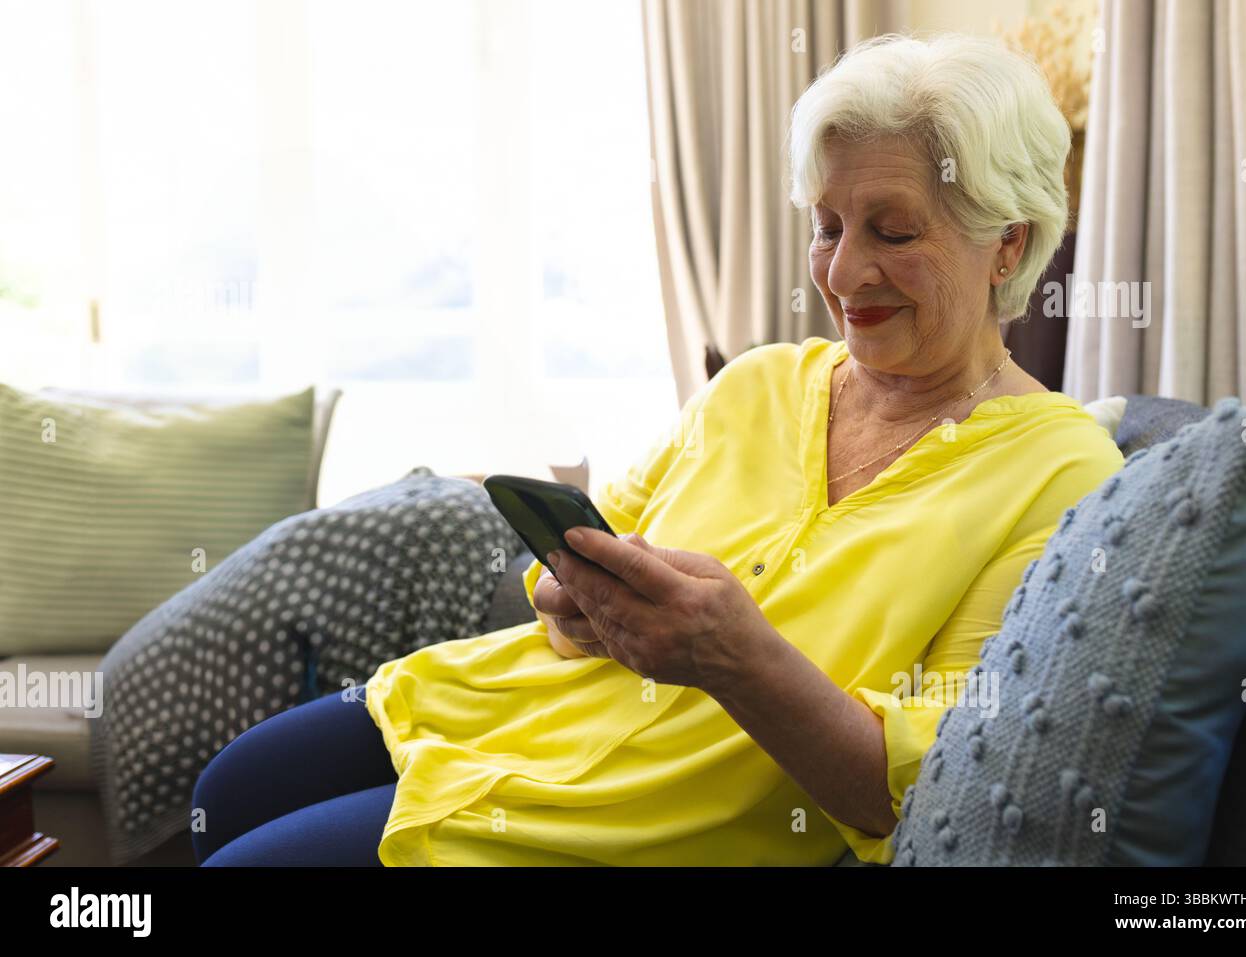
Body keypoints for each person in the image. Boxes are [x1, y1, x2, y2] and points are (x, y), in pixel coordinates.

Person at [193, 32, 1123, 866]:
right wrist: (573, 598)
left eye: (892, 230)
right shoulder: (756, 383)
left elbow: (927, 785)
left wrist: (738, 658)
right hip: (519, 706)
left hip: (638, 824)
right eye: (828, 226)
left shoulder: (1063, 474)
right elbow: (577, 572)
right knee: (225, 790)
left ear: (1009, 244)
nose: (843, 273)